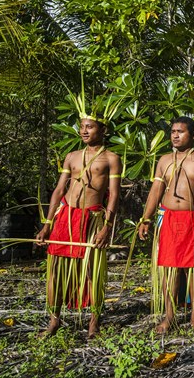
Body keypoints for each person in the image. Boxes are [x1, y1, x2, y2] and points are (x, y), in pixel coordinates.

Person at [36, 117, 122, 338]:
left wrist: (107, 227)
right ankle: (54, 320)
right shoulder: (71, 156)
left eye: (90, 127)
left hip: (92, 218)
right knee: (56, 270)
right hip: (65, 216)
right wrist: (47, 224)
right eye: (82, 127)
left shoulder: (111, 158)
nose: (84, 131)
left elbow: (113, 195)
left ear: (103, 129)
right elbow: (58, 190)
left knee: (93, 270)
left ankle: (94, 322)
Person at [138, 116, 194, 334]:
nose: (175, 135)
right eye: (173, 131)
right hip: (168, 218)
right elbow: (156, 191)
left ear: (193, 135)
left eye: (180, 131)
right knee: (169, 270)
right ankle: (170, 317)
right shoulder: (164, 160)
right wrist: (146, 218)